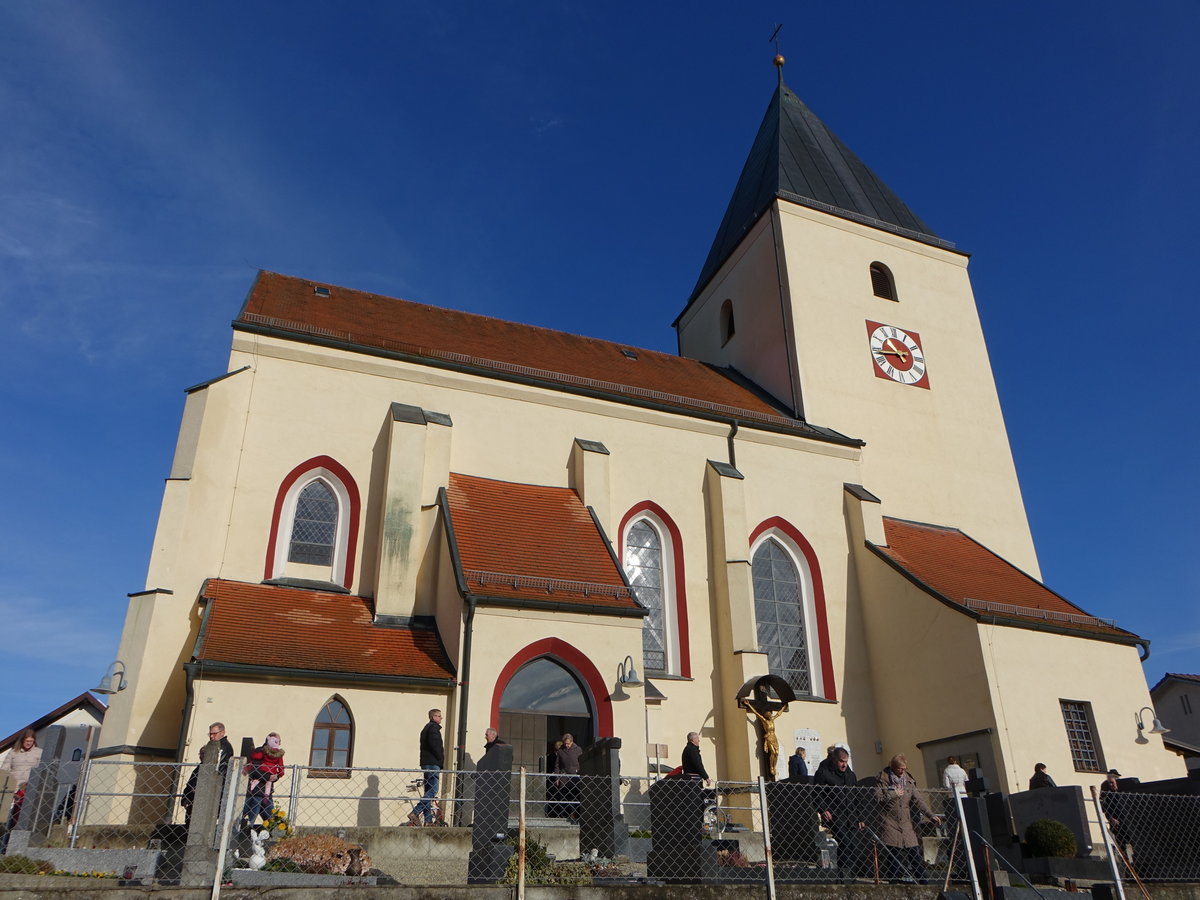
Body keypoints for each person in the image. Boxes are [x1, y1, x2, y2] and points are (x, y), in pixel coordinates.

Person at [874, 754, 941, 882]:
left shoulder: (908, 781)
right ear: (893, 767)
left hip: (906, 823)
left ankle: (923, 881)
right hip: (889, 822)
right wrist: (893, 794)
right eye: (900, 769)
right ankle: (894, 882)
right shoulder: (882, 780)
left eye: (905, 768)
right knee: (894, 855)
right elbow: (878, 799)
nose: (903, 771)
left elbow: (918, 800)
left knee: (914, 852)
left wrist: (930, 815)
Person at [814, 746, 864, 872]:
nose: (844, 765)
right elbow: (816, 794)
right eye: (841, 761)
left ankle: (846, 876)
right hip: (835, 815)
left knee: (852, 846)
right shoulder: (824, 773)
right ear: (835, 760)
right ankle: (845, 873)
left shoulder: (850, 775)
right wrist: (823, 809)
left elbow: (857, 796)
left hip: (851, 816)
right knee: (846, 843)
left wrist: (860, 817)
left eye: (846, 762)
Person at [181, 723, 234, 826]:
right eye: (210, 734)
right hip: (202, 794)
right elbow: (193, 780)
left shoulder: (222, 747)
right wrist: (186, 795)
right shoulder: (214, 747)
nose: (211, 736)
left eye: (214, 734)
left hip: (212, 791)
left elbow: (216, 769)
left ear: (222, 733)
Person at [1, 729, 43, 840]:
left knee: (20, 816)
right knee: (6, 816)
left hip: (28, 788)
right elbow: (4, 769)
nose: (28, 743)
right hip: (12, 788)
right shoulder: (13, 752)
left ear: (34, 741)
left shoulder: (39, 753)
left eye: (31, 741)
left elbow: (42, 770)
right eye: (26, 741)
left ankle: (15, 839)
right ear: (22, 741)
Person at [241, 732, 285, 828]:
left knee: (270, 817)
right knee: (252, 813)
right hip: (256, 791)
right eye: (278, 741)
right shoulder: (260, 752)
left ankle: (276, 831)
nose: (279, 743)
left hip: (266, 792)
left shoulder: (276, 753)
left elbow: (278, 770)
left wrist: (276, 777)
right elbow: (255, 770)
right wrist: (268, 777)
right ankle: (247, 830)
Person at [408, 708, 443, 826]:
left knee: (428, 791)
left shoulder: (425, 729)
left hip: (426, 762)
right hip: (433, 763)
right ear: (433, 717)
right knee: (433, 790)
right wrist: (440, 758)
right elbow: (435, 745)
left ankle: (428, 821)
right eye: (439, 716)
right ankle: (415, 812)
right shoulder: (433, 728)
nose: (441, 718)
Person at [554, 733, 583, 818]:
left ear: (572, 742)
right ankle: (563, 815)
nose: (566, 745)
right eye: (565, 743)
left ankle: (574, 815)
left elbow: (582, 761)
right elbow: (557, 765)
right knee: (564, 796)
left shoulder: (578, 750)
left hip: (575, 776)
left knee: (575, 796)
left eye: (568, 743)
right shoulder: (560, 751)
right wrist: (557, 777)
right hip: (564, 776)